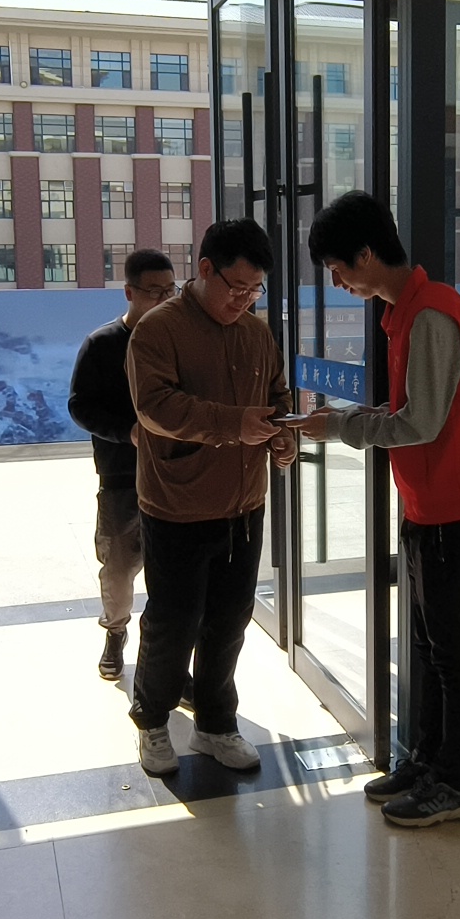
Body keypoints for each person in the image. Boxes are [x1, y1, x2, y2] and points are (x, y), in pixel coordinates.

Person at [292, 190, 460, 827]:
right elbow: (415, 415)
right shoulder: (412, 310)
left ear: (367, 254)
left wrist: (342, 426)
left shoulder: (430, 316)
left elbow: (420, 424)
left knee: (451, 651)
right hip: (431, 500)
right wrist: (345, 420)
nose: (338, 284)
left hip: (453, 504)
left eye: (338, 269)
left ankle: (454, 784)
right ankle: (427, 761)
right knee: (428, 643)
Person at [125, 219, 296, 776]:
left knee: (230, 620)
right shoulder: (158, 329)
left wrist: (282, 434)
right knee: (174, 622)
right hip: (178, 504)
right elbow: (156, 407)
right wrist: (234, 424)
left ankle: (216, 723)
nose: (244, 300)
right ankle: (152, 721)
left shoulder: (256, 333)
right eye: (236, 287)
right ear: (204, 269)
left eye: (255, 290)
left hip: (244, 503)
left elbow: (276, 396)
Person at [68, 248, 178, 680]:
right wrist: (126, 432)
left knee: (173, 572)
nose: (165, 299)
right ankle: (115, 632)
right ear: (129, 292)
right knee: (117, 567)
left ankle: (164, 654)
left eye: (171, 290)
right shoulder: (102, 344)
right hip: (121, 476)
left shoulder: (180, 340)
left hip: (175, 476)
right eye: (154, 292)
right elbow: (80, 407)